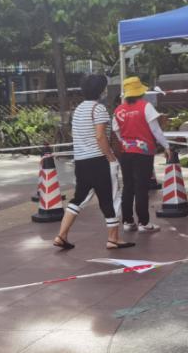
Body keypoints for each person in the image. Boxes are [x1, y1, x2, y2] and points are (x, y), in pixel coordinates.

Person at [53, 74, 133, 251]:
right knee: (110, 198)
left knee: (78, 199)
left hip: (81, 161)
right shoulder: (99, 109)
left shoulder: (78, 109)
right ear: (101, 90)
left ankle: (61, 235)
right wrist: (110, 156)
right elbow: (100, 136)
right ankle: (113, 238)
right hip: (99, 161)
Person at [113, 76, 168, 232]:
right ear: (140, 92)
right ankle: (144, 223)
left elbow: (117, 131)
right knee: (141, 187)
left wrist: (126, 142)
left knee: (128, 186)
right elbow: (155, 130)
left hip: (126, 152)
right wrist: (167, 146)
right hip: (144, 153)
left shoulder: (118, 110)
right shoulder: (146, 106)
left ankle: (127, 221)